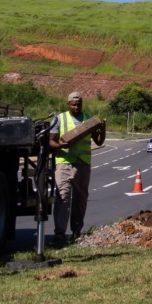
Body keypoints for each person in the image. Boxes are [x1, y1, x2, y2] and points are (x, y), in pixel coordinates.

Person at [46, 92, 104, 245]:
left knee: (80, 199)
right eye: (73, 105)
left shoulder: (89, 120)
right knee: (63, 197)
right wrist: (59, 145)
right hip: (64, 163)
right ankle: (60, 233)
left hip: (82, 164)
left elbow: (98, 141)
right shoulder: (59, 119)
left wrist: (102, 129)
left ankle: (76, 231)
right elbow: (50, 141)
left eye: (79, 105)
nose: (76, 107)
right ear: (68, 104)